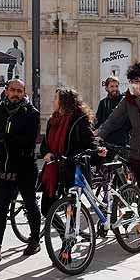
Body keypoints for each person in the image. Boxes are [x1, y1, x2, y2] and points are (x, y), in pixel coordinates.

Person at [96, 62, 140, 235]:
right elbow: (115, 118)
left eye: (138, 80)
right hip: (136, 147)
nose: (135, 84)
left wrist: (139, 96)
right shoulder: (127, 98)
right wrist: (100, 133)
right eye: (132, 81)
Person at [0, 79, 41, 262]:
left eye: (20, 91)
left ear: (24, 93)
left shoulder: (31, 113)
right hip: (4, 166)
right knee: (0, 207)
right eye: (13, 90)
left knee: (30, 203)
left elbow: (28, 141)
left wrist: (4, 137)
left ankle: (35, 240)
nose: (16, 94)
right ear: (6, 91)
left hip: (25, 167)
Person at [38, 88, 95, 216]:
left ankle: (71, 235)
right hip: (53, 169)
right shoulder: (52, 120)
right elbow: (45, 144)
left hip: (71, 169)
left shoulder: (79, 119)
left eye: (56, 98)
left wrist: (71, 156)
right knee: (46, 210)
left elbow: (88, 143)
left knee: (71, 210)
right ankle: (65, 233)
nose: (53, 101)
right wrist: (46, 153)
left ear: (64, 101)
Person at [95, 77, 130, 148]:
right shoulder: (103, 103)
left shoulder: (123, 100)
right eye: (112, 86)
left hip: (121, 141)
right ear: (106, 88)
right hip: (106, 140)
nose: (115, 89)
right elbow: (98, 121)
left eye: (116, 86)